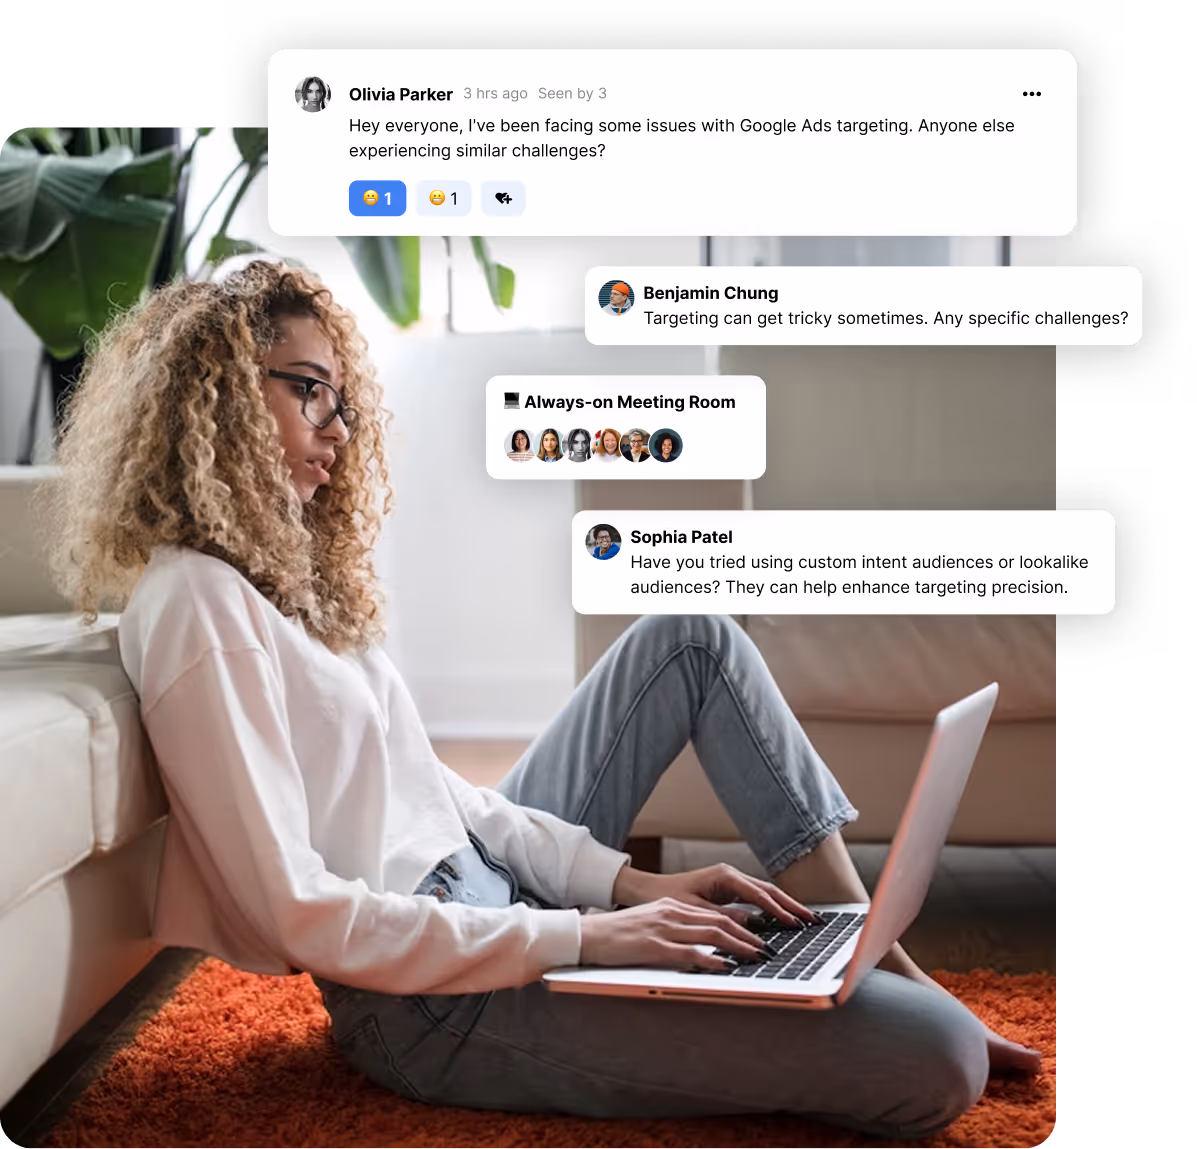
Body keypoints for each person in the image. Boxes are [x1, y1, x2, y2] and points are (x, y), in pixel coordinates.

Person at [34, 261, 1038, 1138]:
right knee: (939, 1061)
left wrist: (622, 887)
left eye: (342, 398)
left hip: (486, 896)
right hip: (427, 1004)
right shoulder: (195, 605)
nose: (337, 427)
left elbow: (439, 796)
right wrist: (585, 936)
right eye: (309, 391)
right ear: (214, 398)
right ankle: (874, 985)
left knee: (688, 637)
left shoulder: (288, 579)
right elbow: (298, 914)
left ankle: (864, 945)